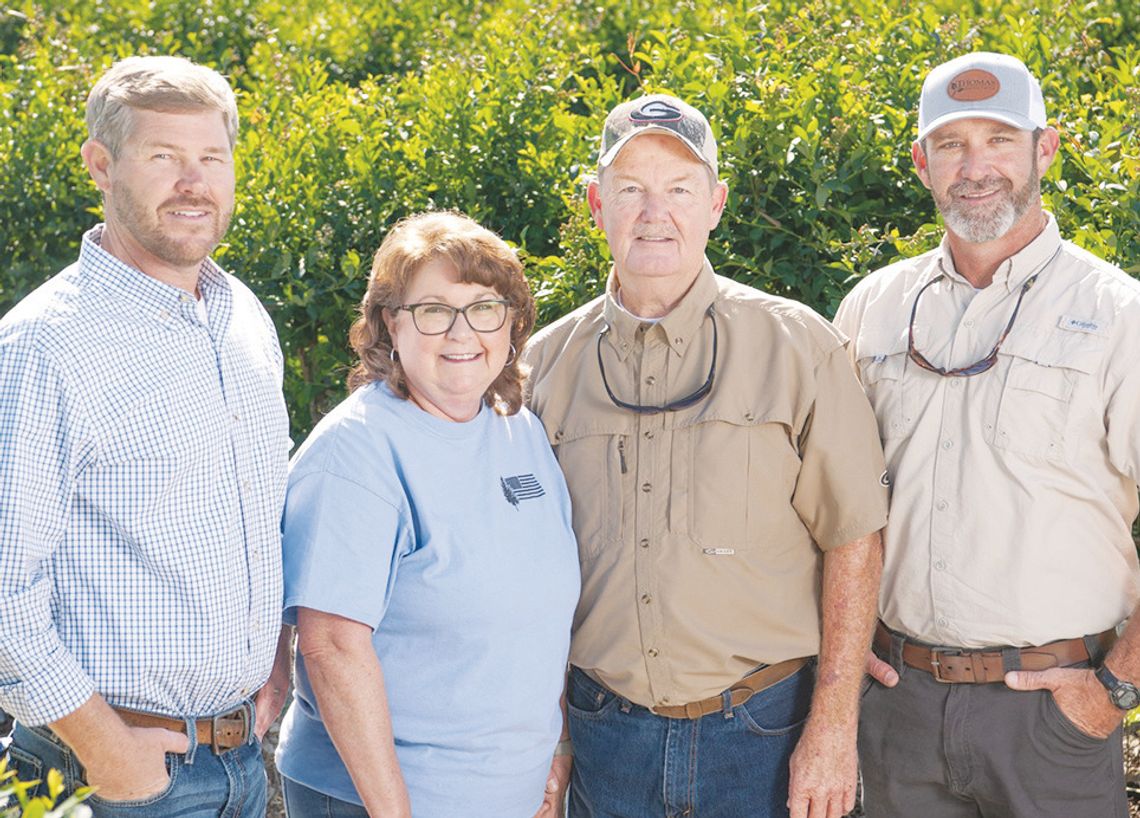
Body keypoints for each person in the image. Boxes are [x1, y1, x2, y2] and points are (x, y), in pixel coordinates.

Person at [522, 93, 889, 818]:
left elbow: (855, 540)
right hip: (605, 738)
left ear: (716, 204)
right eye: (630, 190)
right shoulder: (542, 368)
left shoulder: (798, 347)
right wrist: (552, 737)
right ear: (597, 204)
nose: (654, 212)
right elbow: (530, 576)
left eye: (680, 190)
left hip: (763, 734)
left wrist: (834, 727)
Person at [835, 51, 1140, 818]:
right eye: (951, 144)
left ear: (1047, 148)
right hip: (897, 709)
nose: (976, 167)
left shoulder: (1119, 315)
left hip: (1052, 718)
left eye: (1000, 139)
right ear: (921, 162)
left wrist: (1116, 691)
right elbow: (826, 507)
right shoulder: (872, 308)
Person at [0, 56, 292, 816]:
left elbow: (262, 512)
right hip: (114, 778)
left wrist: (274, 658)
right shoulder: (42, 345)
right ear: (101, 164)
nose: (193, 183)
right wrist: (107, 752)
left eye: (211, 159)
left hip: (240, 762)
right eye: (164, 158)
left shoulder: (243, 318)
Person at [273, 211, 580, 818]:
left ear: (512, 321)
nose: (463, 333)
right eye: (435, 310)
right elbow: (331, 647)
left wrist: (553, 748)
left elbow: (541, 616)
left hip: (508, 794)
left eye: (485, 307)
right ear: (391, 321)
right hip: (380, 801)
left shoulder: (519, 431)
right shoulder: (357, 452)